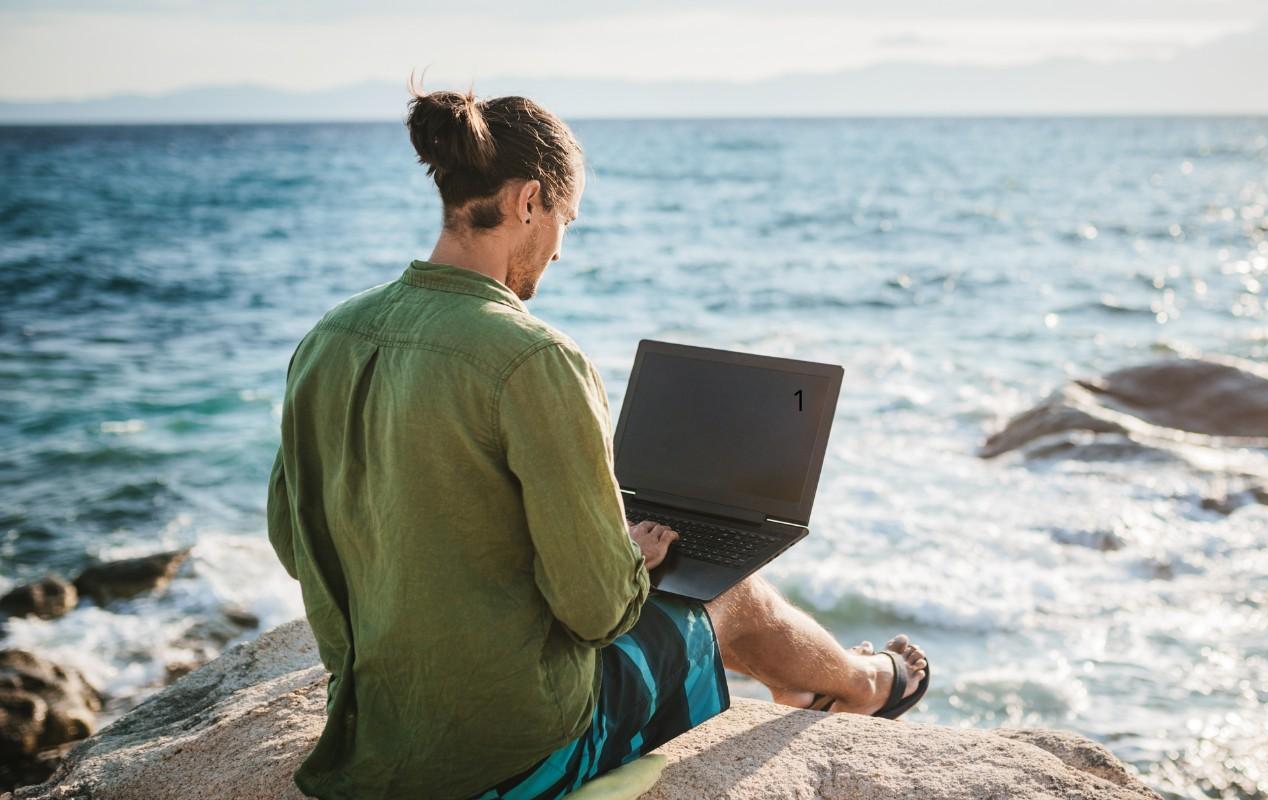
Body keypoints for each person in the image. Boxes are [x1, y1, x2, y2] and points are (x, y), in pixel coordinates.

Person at [266, 80, 930, 800]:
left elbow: (290, 540)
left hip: (369, 733)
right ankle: (864, 685)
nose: (558, 251)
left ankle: (823, 686)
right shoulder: (532, 358)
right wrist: (629, 557)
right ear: (528, 202)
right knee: (728, 593)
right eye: (566, 220)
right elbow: (595, 610)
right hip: (509, 751)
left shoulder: (328, 336)